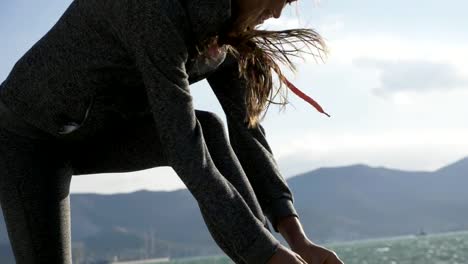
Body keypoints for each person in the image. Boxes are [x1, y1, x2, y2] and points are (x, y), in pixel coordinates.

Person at [0, 0, 344, 263]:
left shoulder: (228, 31)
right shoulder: (156, 11)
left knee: (210, 127)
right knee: (198, 136)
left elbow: (249, 135)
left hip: (98, 134)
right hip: (27, 138)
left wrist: (297, 242)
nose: (278, 12)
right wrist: (266, 254)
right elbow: (184, 148)